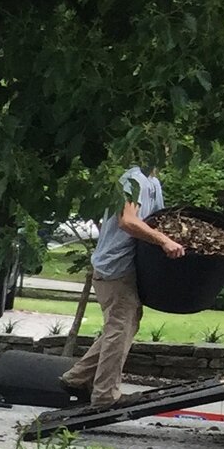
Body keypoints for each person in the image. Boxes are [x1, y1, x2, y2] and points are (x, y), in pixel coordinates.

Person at [62, 162, 186, 407]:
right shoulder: (133, 181)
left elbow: (157, 220)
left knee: (124, 326)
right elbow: (127, 221)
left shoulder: (152, 182)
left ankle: (76, 378)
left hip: (128, 267)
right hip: (115, 266)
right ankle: (105, 396)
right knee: (120, 328)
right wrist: (163, 241)